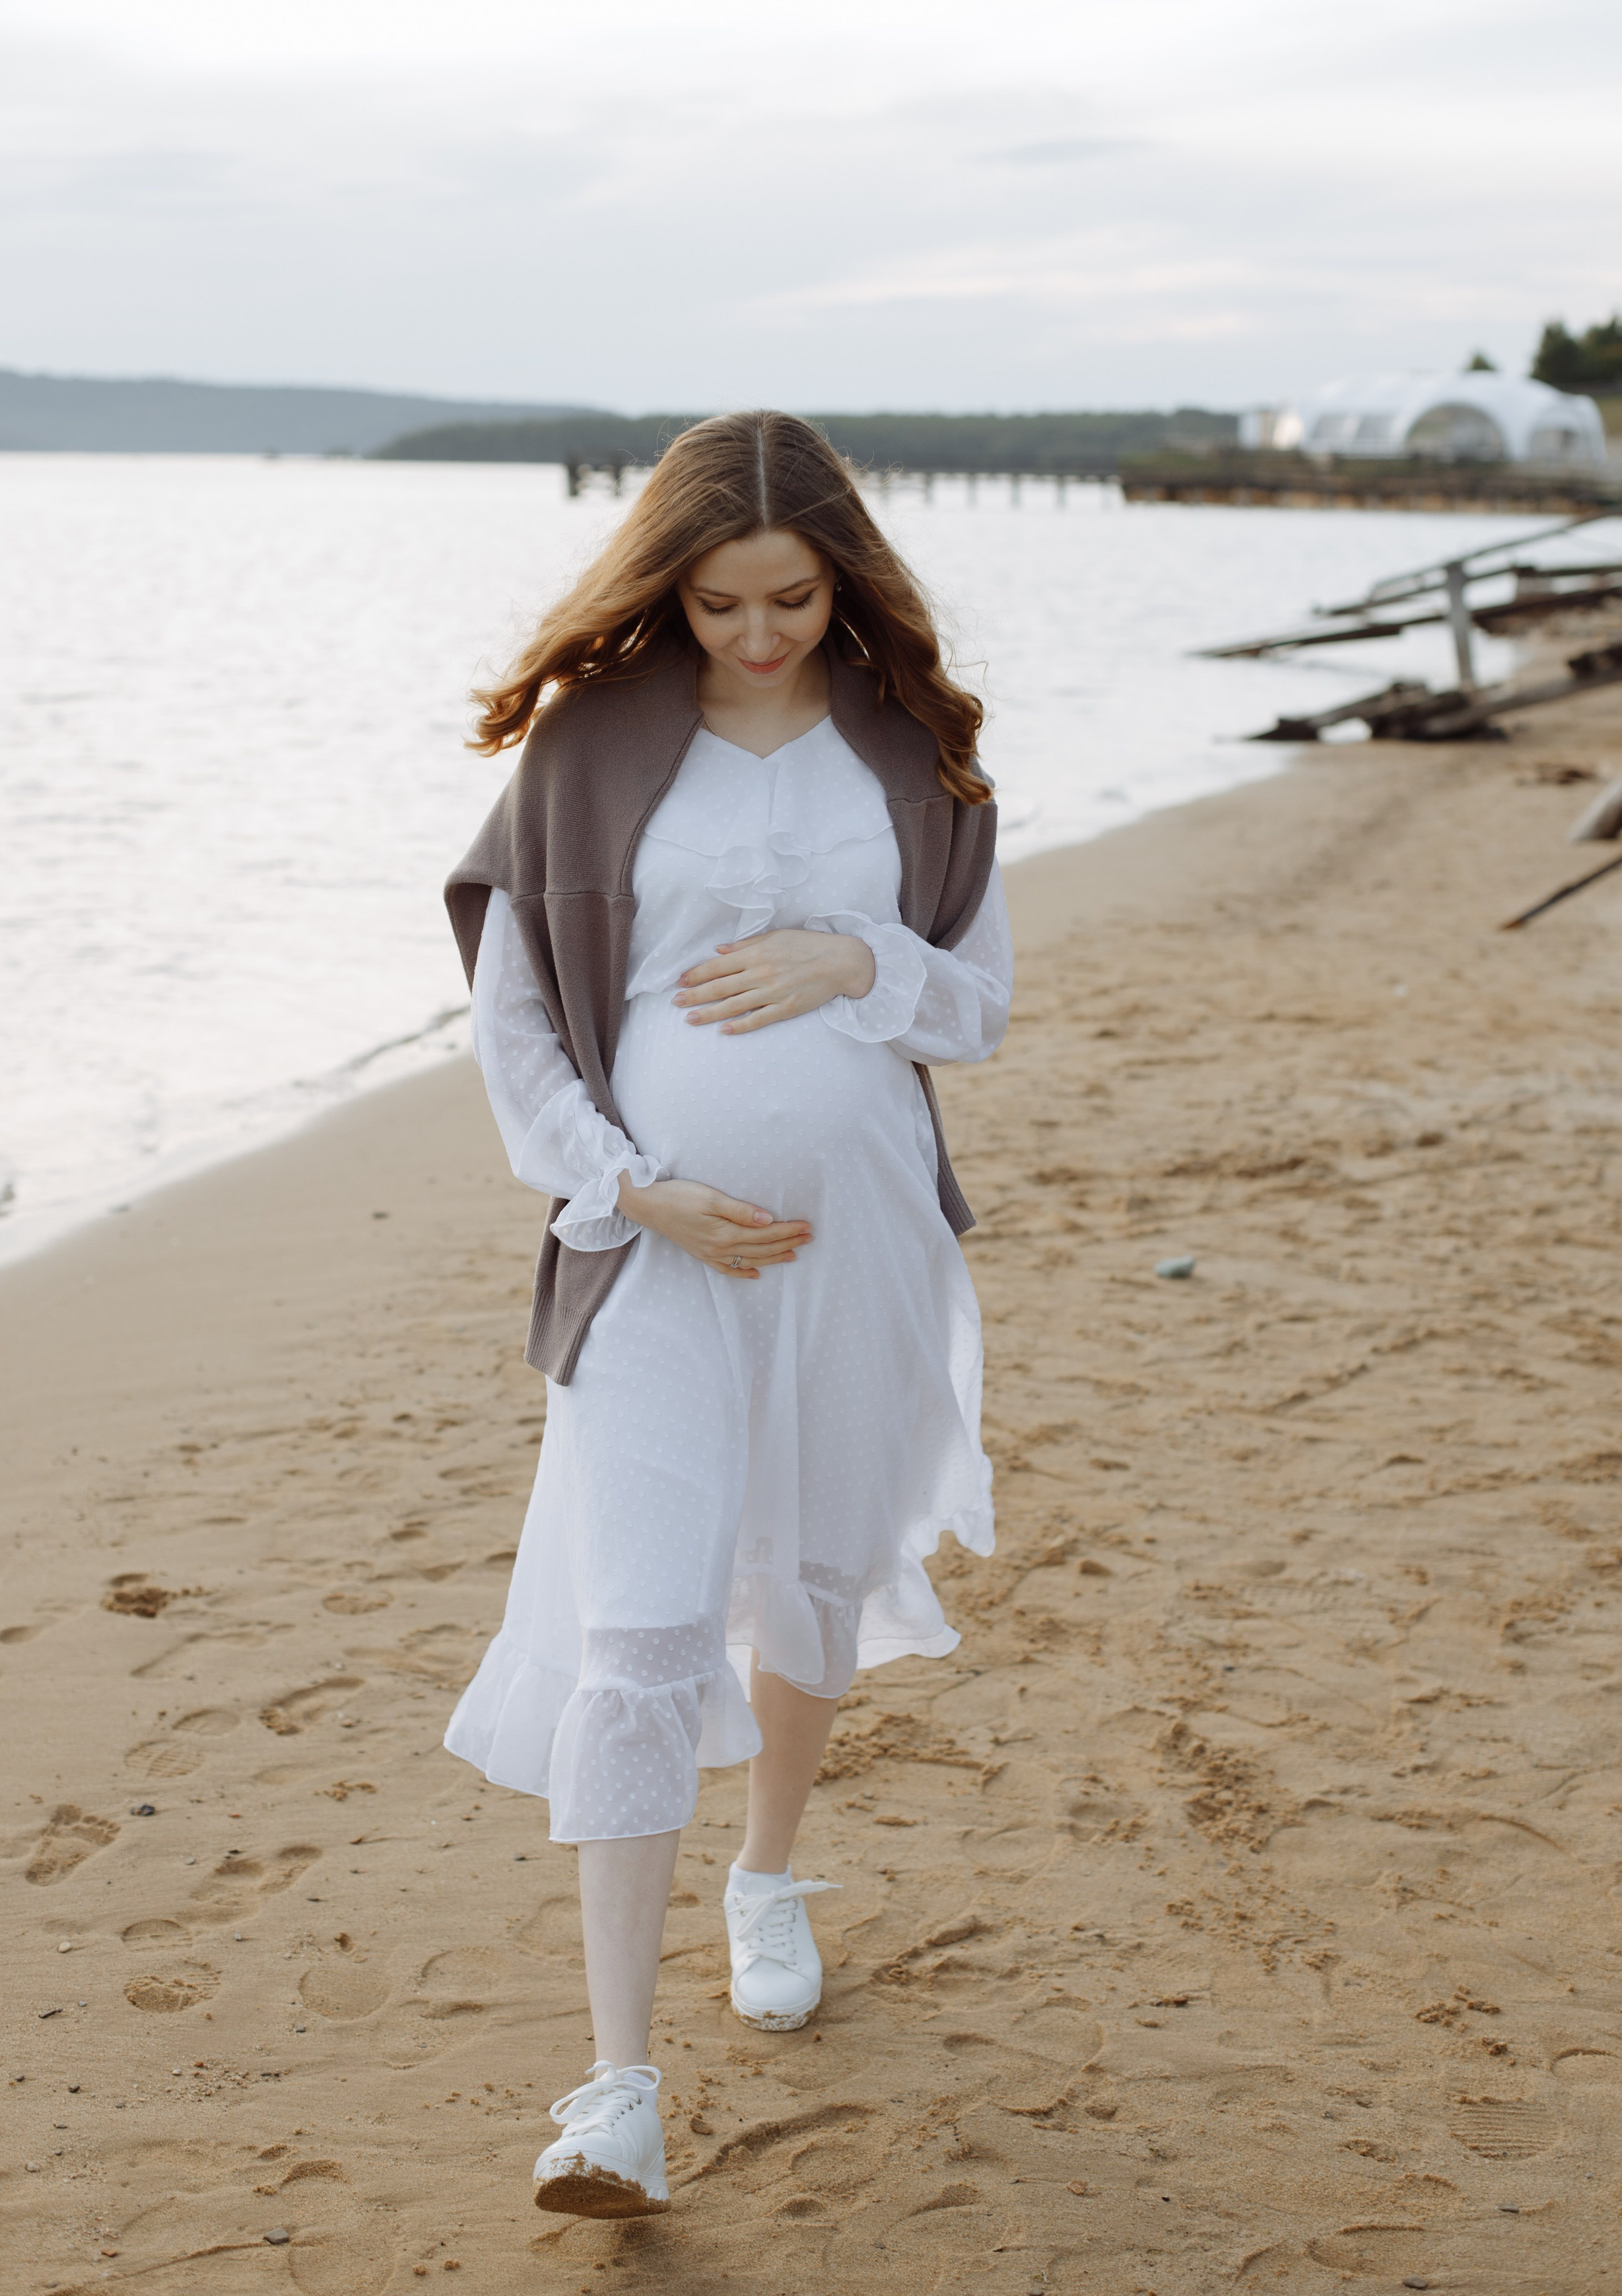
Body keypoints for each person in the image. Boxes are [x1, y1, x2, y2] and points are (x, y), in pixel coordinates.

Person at [442, 410, 1011, 2216]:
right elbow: (516, 1018)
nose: (758, 634)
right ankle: (615, 2090)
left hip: (864, 1249)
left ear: (844, 575)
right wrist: (627, 1188)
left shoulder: (911, 749)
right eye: (717, 605)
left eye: (790, 597)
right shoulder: (590, 745)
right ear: (663, 589)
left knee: (823, 1570)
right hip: (660, 1246)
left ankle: (768, 1871)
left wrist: (861, 960)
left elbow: (973, 1010)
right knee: (642, 1631)